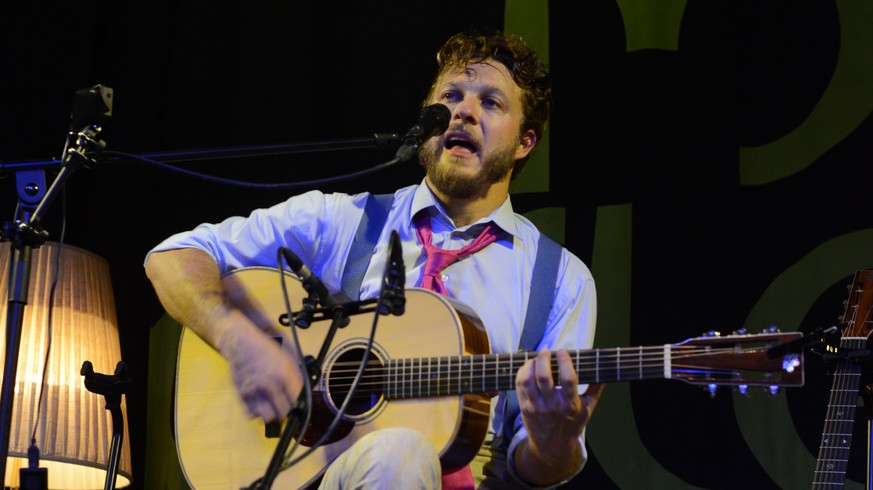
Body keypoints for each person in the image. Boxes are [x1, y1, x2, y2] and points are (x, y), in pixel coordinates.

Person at [145, 30, 603, 489]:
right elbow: (171, 258)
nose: (463, 111)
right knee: (397, 452)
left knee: (401, 453)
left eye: (491, 103)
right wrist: (238, 341)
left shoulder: (560, 279)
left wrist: (553, 442)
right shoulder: (343, 220)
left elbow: (544, 468)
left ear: (525, 142)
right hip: (320, 472)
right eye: (452, 96)